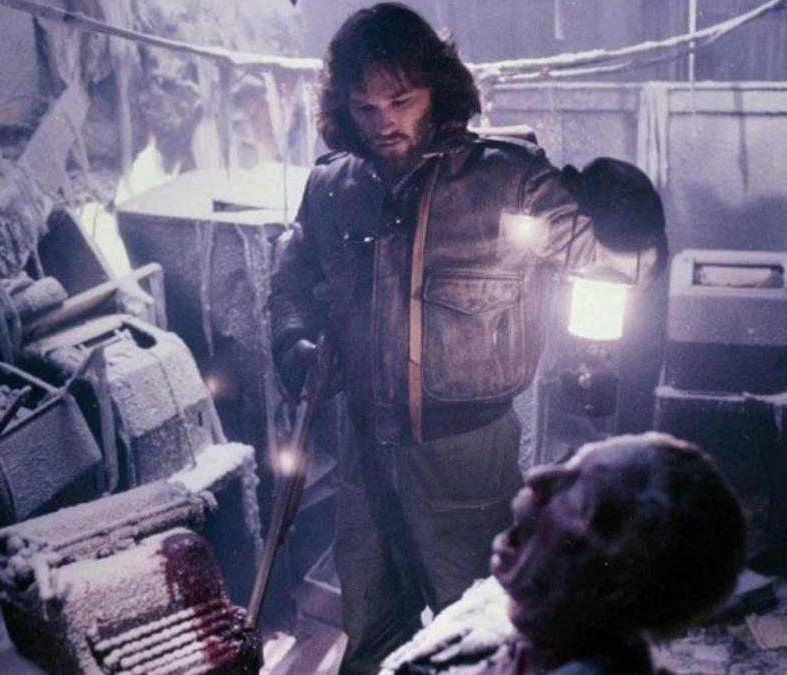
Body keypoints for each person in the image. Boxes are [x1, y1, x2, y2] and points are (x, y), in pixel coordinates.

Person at [267, 5, 663, 672]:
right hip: (363, 455)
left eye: (401, 101)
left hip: (468, 461)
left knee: (481, 639)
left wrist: (627, 216)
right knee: (370, 638)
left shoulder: (508, 182)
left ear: (439, 91)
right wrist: (292, 341)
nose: (384, 123)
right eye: (365, 108)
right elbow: (293, 274)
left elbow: (626, 266)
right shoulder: (333, 188)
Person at [381, 432, 747, 674]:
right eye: (570, 465)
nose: (537, 476)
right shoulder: (526, 626)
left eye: (575, 489)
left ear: (610, 584)